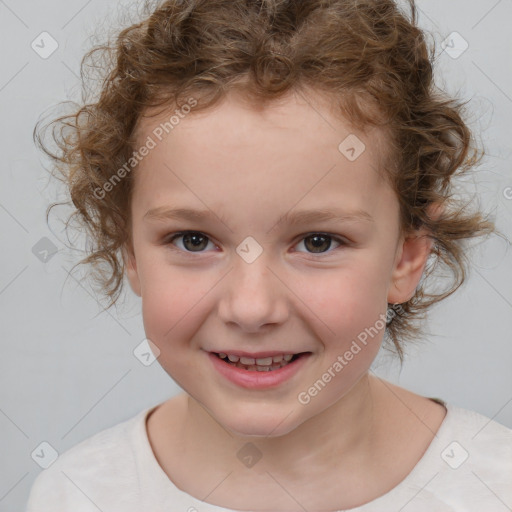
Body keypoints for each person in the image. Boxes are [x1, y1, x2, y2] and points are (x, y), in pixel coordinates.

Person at [27, 0, 512, 510]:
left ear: (406, 258)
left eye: (317, 242)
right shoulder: (78, 494)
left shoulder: (493, 488)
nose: (251, 308)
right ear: (129, 250)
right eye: (193, 240)